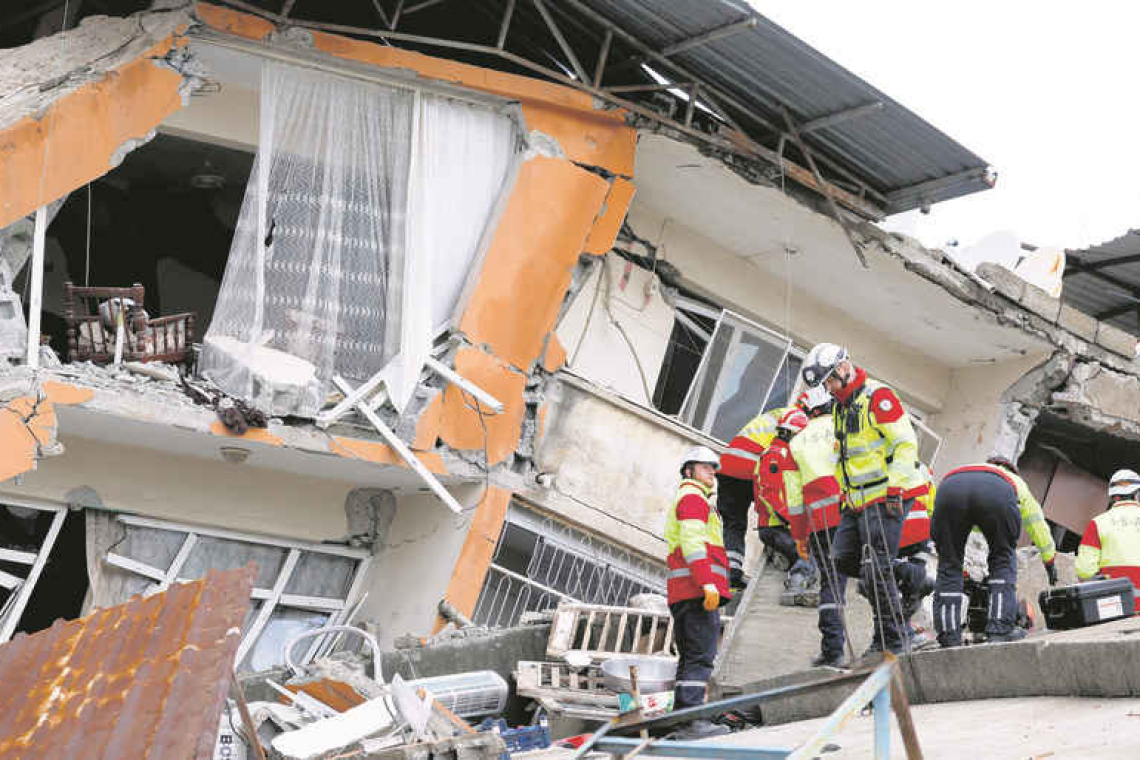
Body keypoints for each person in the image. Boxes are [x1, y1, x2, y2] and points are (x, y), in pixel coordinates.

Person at [801, 343, 925, 659]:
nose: (827, 387)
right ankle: (909, 576)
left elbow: (906, 444)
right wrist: (845, 497)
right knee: (842, 559)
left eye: (829, 380)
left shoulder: (877, 397)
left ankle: (892, 640)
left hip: (887, 497)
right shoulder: (842, 407)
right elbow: (845, 458)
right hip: (856, 503)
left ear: (844, 368)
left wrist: (895, 488)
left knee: (874, 571)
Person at [930, 456, 1056, 647]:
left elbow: (943, 522)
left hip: (948, 487)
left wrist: (947, 549)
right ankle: (999, 630)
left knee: (948, 567)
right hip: (995, 493)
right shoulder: (1013, 481)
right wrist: (1049, 560)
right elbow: (1037, 524)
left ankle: (948, 637)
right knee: (1002, 560)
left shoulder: (968, 467)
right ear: (1011, 470)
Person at [665, 446, 731, 739]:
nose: (712, 473)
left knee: (691, 657)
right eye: (705, 467)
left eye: (713, 468)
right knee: (701, 656)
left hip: (686, 592)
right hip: (696, 591)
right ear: (688, 470)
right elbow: (693, 545)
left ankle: (683, 720)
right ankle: (692, 722)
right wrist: (707, 583)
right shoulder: (692, 498)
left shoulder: (692, 498)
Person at [783, 385, 850, 667]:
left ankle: (832, 649)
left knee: (831, 583)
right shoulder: (842, 428)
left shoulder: (795, 443)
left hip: (820, 523)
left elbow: (794, 499)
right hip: (848, 514)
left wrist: (800, 536)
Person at [717, 405, 791, 592]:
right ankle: (779, 547)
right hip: (751, 467)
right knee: (770, 509)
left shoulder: (778, 413)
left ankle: (731, 570)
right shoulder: (796, 419)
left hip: (727, 466)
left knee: (734, 522)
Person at [754, 407, 816, 605]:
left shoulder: (787, 456)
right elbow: (768, 493)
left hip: (780, 526)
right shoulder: (774, 455)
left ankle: (784, 558)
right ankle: (796, 586)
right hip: (775, 527)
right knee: (807, 554)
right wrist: (791, 520)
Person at [1076, 469, 1140, 609]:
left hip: (1114, 606)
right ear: (1137, 495)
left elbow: (1084, 570)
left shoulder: (1097, 523)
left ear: (1113, 497)